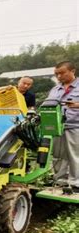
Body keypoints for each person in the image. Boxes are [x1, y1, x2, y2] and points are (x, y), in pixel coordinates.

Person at [46, 61, 79, 193]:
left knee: (75, 155)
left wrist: (77, 105)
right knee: (58, 155)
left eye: (62, 73)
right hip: (57, 126)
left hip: (75, 125)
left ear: (72, 71)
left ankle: (75, 183)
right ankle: (60, 181)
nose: (59, 76)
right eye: (56, 74)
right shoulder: (55, 89)